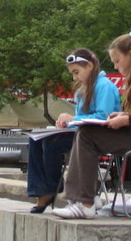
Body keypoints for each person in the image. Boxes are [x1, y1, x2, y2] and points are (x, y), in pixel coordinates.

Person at [54, 28, 131, 220]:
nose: (116, 66)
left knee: (86, 135)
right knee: (84, 133)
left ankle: (85, 203)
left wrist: (127, 119)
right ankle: (83, 199)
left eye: (117, 61)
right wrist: (123, 115)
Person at [27, 48, 121, 213]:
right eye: (72, 74)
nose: (74, 77)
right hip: (83, 133)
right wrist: (66, 124)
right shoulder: (82, 89)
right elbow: (80, 120)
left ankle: (51, 189)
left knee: (52, 144)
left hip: (100, 136)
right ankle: (43, 190)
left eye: (76, 72)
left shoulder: (104, 86)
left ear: (90, 66)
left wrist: (72, 119)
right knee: (35, 139)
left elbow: (104, 116)